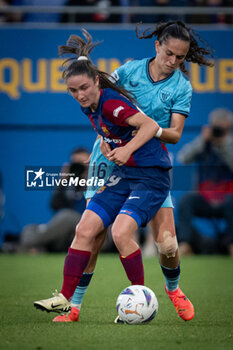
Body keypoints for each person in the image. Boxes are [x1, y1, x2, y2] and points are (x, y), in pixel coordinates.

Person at [36, 20, 213, 323]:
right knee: (90, 233)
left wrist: (136, 136)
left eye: (180, 58)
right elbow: (98, 97)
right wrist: (109, 141)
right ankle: (72, 306)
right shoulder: (127, 72)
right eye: (168, 53)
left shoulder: (181, 87)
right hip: (109, 161)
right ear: (157, 46)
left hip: (148, 161)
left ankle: (172, 290)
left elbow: (173, 135)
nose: (173, 62)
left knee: (167, 242)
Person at [177, 108, 233, 257]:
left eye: (221, 126)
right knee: (186, 201)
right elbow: (183, 158)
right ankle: (185, 244)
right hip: (204, 196)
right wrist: (202, 141)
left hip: (228, 196)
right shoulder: (203, 143)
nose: (218, 130)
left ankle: (231, 245)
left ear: (228, 126)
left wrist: (223, 146)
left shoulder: (230, 144)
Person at [18, 147, 90, 253]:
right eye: (75, 163)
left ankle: (25, 246)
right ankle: (38, 248)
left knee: (67, 216)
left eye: (82, 163)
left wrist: (88, 178)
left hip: (90, 228)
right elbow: (54, 206)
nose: (79, 167)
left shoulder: (97, 181)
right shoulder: (69, 185)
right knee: (29, 229)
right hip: (71, 232)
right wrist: (62, 181)